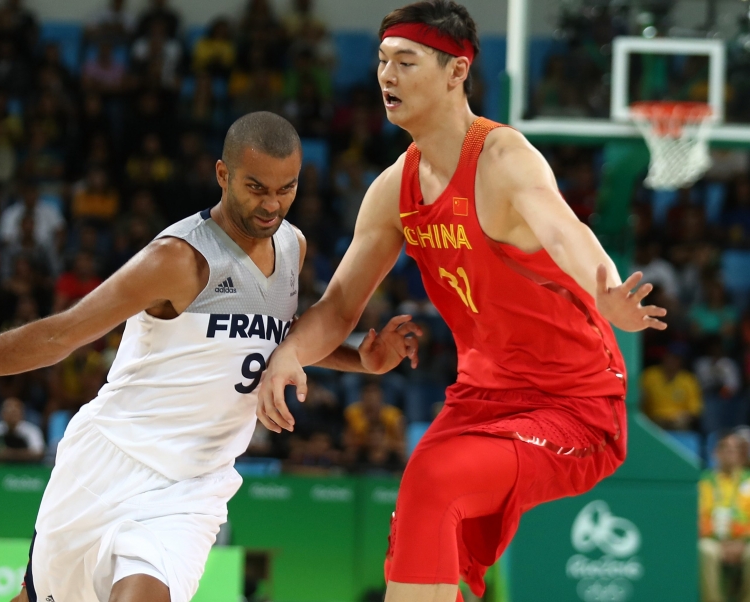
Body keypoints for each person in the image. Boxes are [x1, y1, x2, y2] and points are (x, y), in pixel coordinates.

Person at [0, 112, 418, 602]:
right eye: (256, 187)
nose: (272, 204)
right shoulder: (177, 258)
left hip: (194, 485)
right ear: (223, 175)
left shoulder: (293, 246)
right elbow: (60, 335)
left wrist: (359, 360)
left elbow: (275, 343)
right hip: (111, 461)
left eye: (287, 188)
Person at [255, 3, 667, 601]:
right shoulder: (395, 187)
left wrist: (606, 290)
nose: (386, 76)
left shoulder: (503, 159)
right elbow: (340, 306)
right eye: (381, 61)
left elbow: (564, 230)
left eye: (406, 61)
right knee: (421, 504)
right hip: (479, 401)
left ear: (457, 72)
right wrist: (291, 352)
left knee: (433, 480)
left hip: (574, 406)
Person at [699, 431, 750, 602]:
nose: (731, 452)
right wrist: (721, 542)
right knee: (705, 550)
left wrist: (742, 541)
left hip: (744, 542)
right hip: (713, 541)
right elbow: (698, 517)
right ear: (716, 453)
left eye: (736, 449)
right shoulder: (704, 481)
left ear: (743, 455)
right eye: (726, 448)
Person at [0, 397, 45, 463]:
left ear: (22, 414)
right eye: (8, 412)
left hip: (27, 468)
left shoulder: (32, 431)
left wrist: (10, 454)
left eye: (14, 412)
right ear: (2, 414)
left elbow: (39, 453)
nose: (11, 416)